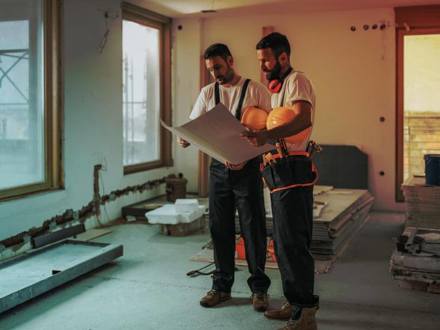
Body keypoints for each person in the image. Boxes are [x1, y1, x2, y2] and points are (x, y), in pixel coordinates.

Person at [178, 43, 272, 311]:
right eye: (210, 70)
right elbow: (194, 125)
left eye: (218, 67)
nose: (215, 74)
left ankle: (259, 290)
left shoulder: (256, 90)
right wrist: (186, 139)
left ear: (230, 60)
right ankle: (221, 287)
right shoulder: (208, 93)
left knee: (253, 229)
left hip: (249, 169)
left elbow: (272, 128)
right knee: (219, 229)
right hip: (219, 170)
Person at [242, 32, 319, 330]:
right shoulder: (277, 89)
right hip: (278, 167)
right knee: (284, 243)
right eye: (260, 61)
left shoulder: (297, 80)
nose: (262, 67)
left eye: (266, 60)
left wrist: (265, 136)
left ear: (283, 57)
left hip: (293, 168)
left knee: (294, 242)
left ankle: (306, 311)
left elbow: (302, 120)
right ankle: (294, 302)